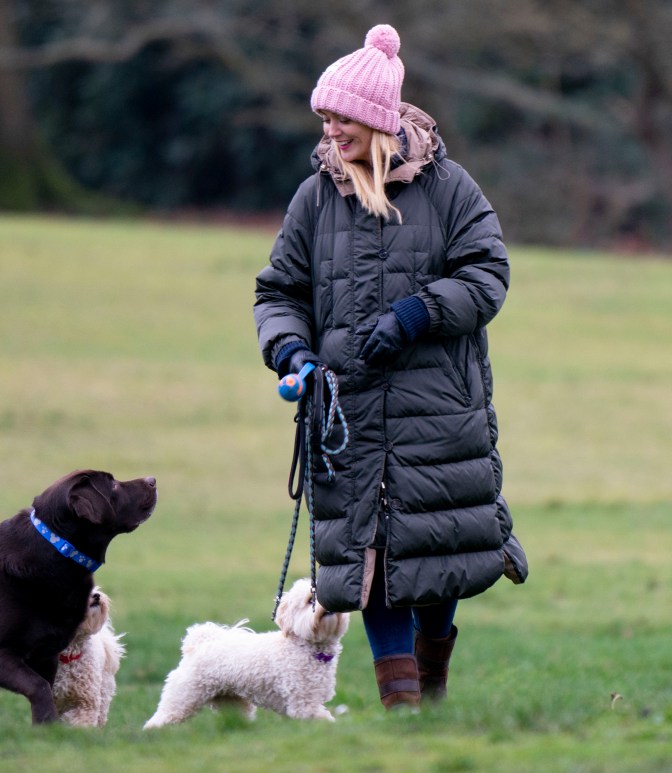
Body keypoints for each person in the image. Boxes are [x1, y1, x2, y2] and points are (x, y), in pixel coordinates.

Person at [253, 23, 528, 711]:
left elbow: (488, 275)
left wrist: (415, 315)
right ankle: (404, 721)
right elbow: (278, 292)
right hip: (345, 420)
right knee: (366, 570)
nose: (329, 129)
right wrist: (293, 352)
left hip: (436, 415)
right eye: (323, 115)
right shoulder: (314, 198)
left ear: (373, 118)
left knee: (437, 566)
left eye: (339, 116)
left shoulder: (450, 189)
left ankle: (431, 676)